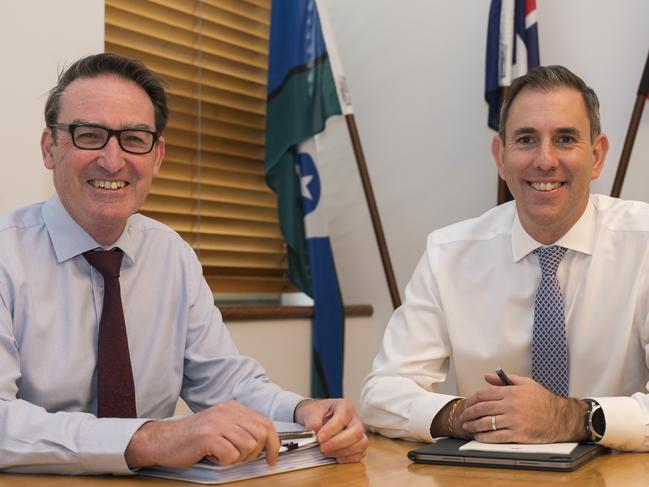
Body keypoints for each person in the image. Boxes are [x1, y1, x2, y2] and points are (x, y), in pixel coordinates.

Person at [0, 52, 367, 475]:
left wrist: (303, 410)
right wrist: (150, 438)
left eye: (134, 139)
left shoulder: (173, 255)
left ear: (156, 157)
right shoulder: (8, 255)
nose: (112, 159)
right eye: (89, 135)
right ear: (50, 148)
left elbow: (226, 384)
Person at [361, 65, 649, 452]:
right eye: (527, 139)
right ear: (501, 156)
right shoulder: (448, 253)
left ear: (597, 156)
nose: (545, 160)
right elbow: (380, 393)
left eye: (565, 139)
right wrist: (462, 416)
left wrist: (568, 418)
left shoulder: (644, 243)